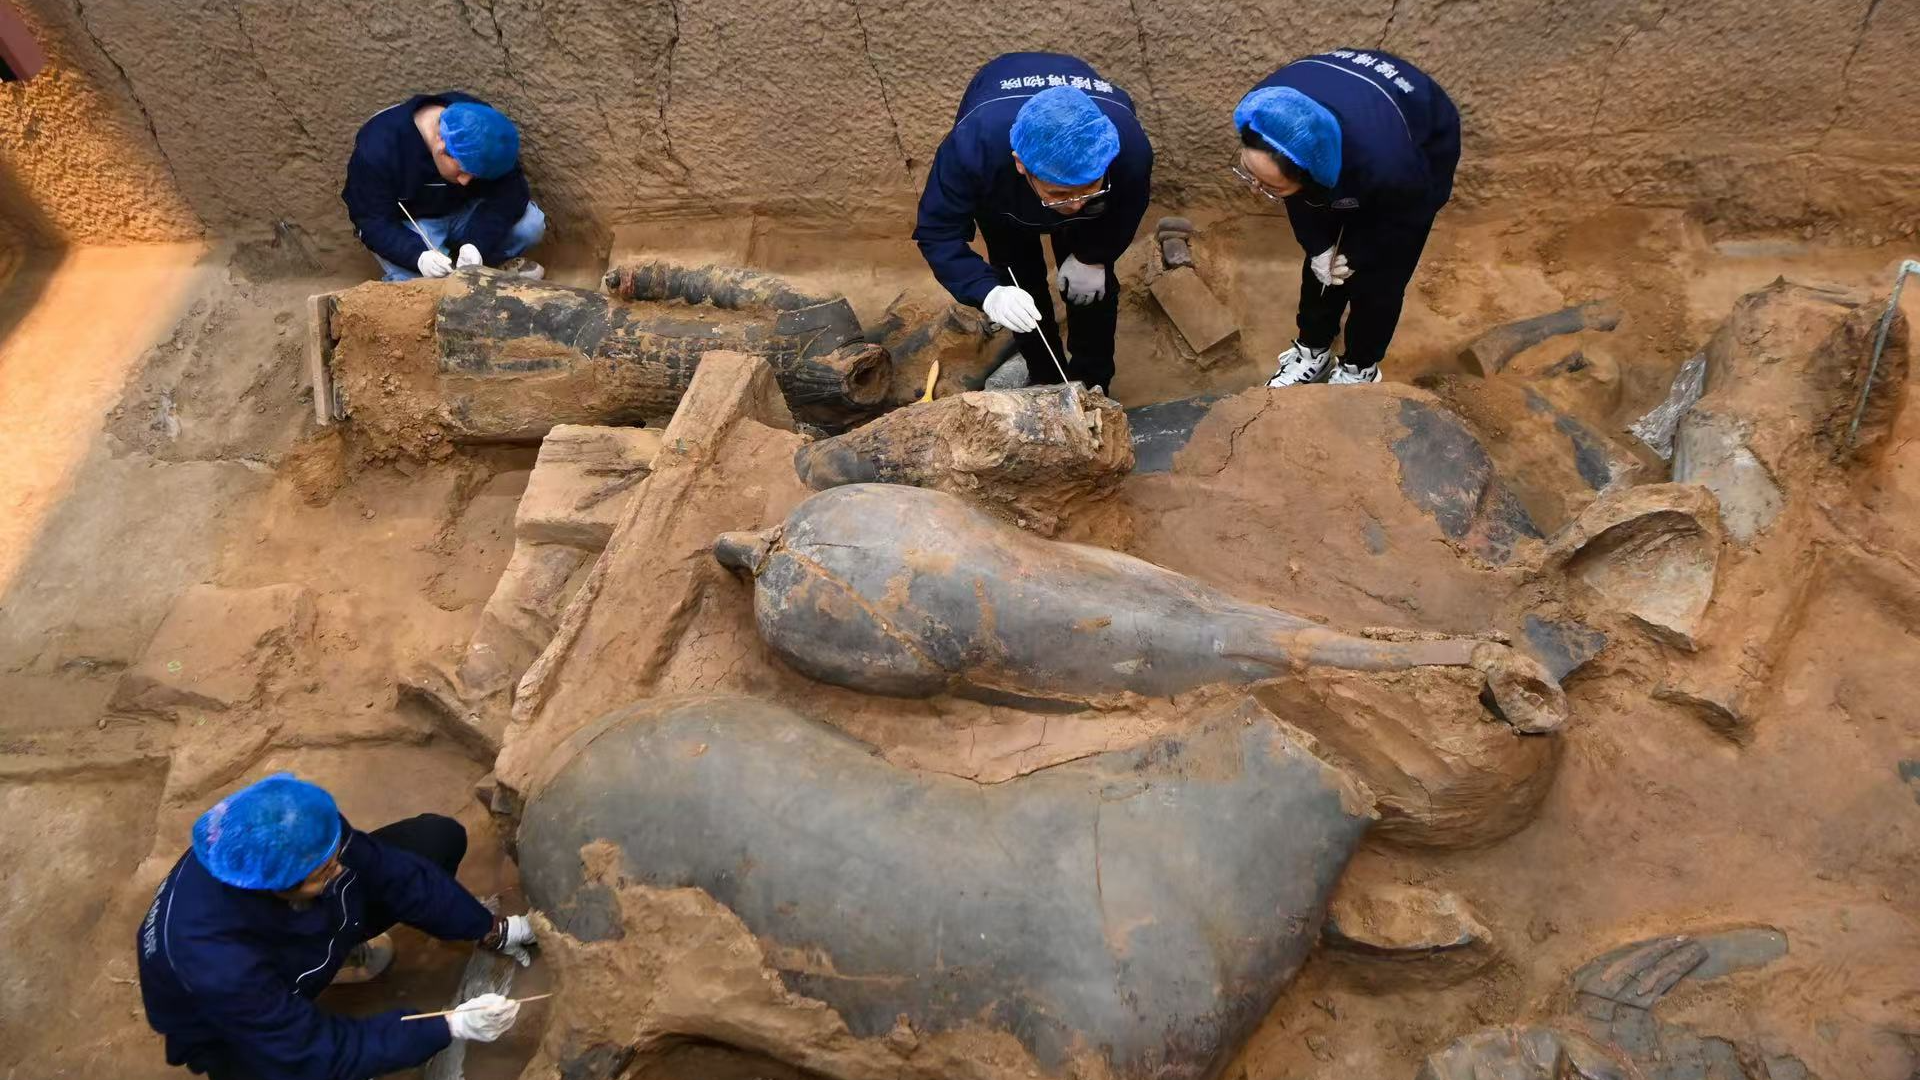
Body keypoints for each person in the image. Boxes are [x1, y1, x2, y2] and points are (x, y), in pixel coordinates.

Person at [137, 773, 538, 1080]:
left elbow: (394, 874)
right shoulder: (216, 962)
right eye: (324, 871)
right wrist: (447, 1026)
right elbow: (319, 1051)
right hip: (222, 1024)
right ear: (277, 886)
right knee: (290, 1066)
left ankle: (332, 956)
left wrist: (487, 928)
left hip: (281, 933)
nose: (340, 866)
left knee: (435, 839)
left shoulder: (296, 825)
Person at [914, 53, 1154, 394]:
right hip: (1004, 199)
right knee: (1018, 277)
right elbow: (937, 232)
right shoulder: (973, 150)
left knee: (1092, 291)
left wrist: (1094, 255)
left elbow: (1129, 204)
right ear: (1021, 164)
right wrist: (988, 291)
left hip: (1075, 178)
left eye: (1090, 189)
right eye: (1060, 193)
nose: (1076, 204)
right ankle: (1046, 379)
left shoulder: (1127, 147)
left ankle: (1093, 382)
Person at [1232, 50, 1460, 386]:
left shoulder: (1393, 166)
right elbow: (1301, 197)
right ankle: (1313, 350)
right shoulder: (1268, 113)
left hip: (1420, 141)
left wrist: (1360, 254)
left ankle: (1360, 366)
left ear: (1310, 175)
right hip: (1344, 128)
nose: (1255, 190)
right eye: (1250, 174)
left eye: (1268, 186)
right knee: (1323, 265)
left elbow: (1405, 217)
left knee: (1377, 278)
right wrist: (1319, 245)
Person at [341, 92, 546, 282]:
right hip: (417, 226)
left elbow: (511, 190)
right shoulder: (378, 148)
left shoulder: (481, 124)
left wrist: (476, 243)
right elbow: (372, 222)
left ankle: (485, 268)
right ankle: (435, 280)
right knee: (418, 281)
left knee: (530, 225)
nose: (466, 181)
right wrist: (417, 256)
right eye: (462, 171)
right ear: (440, 146)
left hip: (468, 212)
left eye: (474, 174)